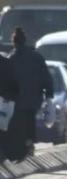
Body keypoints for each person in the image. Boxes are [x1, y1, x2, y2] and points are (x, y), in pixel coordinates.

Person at [6, 27, 53, 161]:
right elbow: (46, 77)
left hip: (16, 100)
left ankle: (22, 146)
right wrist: (49, 94)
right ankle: (29, 143)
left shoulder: (11, 58)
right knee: (29, 119)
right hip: (34, 99)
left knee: (17, 122)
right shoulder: (36, 57)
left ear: (14, 42)